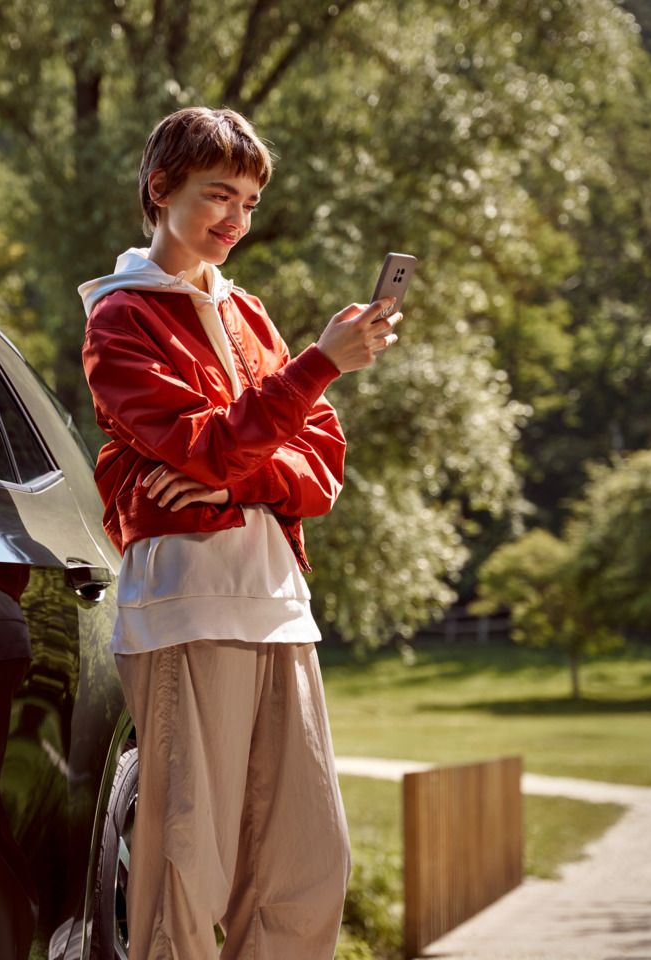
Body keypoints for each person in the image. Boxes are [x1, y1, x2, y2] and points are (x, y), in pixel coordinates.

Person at [78, 106, 401, 960]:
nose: (237, 220)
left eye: (251, 203)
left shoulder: (251, 315)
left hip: (280, 608)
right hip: (189, 608)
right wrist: (317, 367)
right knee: (185, 869)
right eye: (220, 195)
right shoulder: (119, 320)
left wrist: (233, 471)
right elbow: (213, 442)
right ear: (160, 188)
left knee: (304, 868)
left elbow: (321, 465)